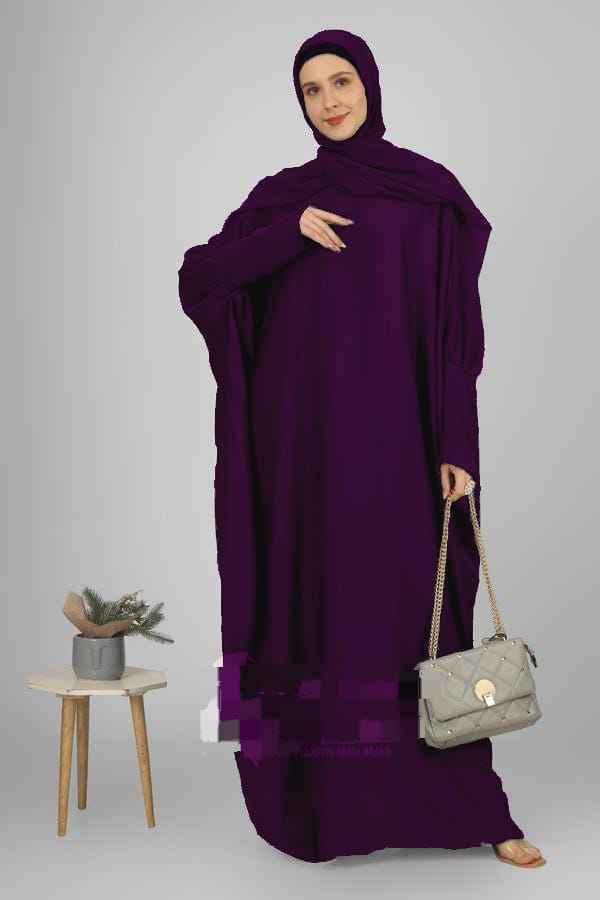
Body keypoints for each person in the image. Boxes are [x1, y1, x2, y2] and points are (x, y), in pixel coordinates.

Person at [178, 28, 546, 868]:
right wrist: (287, 234)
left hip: (401, 449)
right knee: (313, 617)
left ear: (370, 84)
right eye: (311, 89)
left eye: (341, 81)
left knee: (422, 622)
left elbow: (455, 335)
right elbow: (201, 278)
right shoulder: (282, 200)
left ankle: (470, 806)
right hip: (300, 460)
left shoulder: (426, 197)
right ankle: (321, 807)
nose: (330, 101)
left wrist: (457, 443)